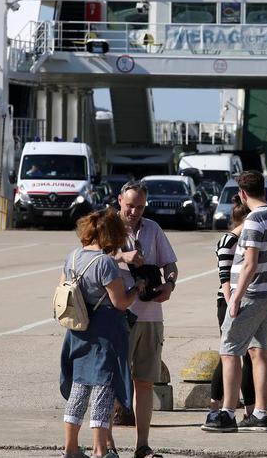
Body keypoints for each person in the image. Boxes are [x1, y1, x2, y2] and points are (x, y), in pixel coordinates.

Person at [203, 170, 267, 433]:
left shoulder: (253, 221)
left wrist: (236, 298)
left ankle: (227, 413)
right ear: (264, 189)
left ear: (241, 193)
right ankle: (259, 413)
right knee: (259, 350)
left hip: (251, 293)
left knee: (229, 351)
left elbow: (250, 263)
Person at [59, 209, 145, 458]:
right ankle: (99, 450)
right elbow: (120, 302)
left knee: (79, 387)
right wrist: (137, 289)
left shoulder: (73, 257)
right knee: (102, 389)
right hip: (104, 333)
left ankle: (71, 448)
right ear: (114, 234)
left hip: (78, 330)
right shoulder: (105, 263)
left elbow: (62, 287)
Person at [112, 180, 178, 458]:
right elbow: (89, 256)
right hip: (117, 315)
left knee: (145, 382)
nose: (134, 212)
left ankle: (143, 445)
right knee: (111, 383)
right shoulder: (107, 226)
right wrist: (121, 255)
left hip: (150, 315)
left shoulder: (152, 228)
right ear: (119, 200)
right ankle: (108, 446)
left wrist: (169, 285)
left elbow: (170, 264)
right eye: (130, 206)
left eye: (139, 207)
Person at [207, 197, 256, 419]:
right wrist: (231, 306)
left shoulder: (245, 241)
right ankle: (215, 405)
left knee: (246, 356)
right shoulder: (228, 241)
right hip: (227, 302)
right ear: (243, 220)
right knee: (228, 353)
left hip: (241, 301)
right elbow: (224, 278)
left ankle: (250, 409)